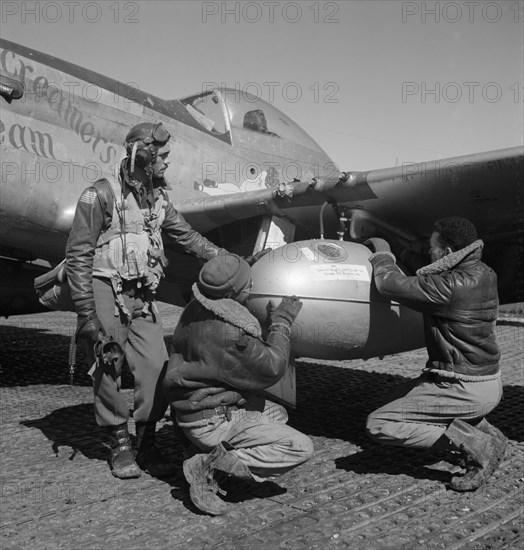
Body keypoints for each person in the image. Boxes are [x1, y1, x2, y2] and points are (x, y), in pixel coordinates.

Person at [66, 121, 226, 480]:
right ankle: (119, 445)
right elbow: (77, 256)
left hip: (142, 294)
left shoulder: (159, 199)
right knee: (108, 364)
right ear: (145, 155)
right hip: (105, 288)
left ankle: (148, 444)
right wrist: (87, 316)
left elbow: (188, 237)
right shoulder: (99, 195)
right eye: (164, 156)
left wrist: (222, 256)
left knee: (157, 366)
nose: (169, 163)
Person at [163, 253, 314, 515]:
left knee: (277, 414)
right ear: (235, 293)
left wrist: (249, 263)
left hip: (190, 409)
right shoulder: (231, 332)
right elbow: (272, 367)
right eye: (248, 284)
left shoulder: (196, 307)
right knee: (299, 447)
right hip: (211, 421)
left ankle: (195, 448)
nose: (253, 288)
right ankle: (208, 468)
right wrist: (281, 324)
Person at [364, 216, 507, 492]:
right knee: (390, 398)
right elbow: (433, 274)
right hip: (488, 381)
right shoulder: (485, 272)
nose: (429, 251)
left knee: (379, 422)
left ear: (449, 253)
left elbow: (388, 283)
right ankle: (483, 429)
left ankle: (478, 446)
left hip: (464, 388)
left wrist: (382, 252)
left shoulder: (448, 288)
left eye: (432, 247)